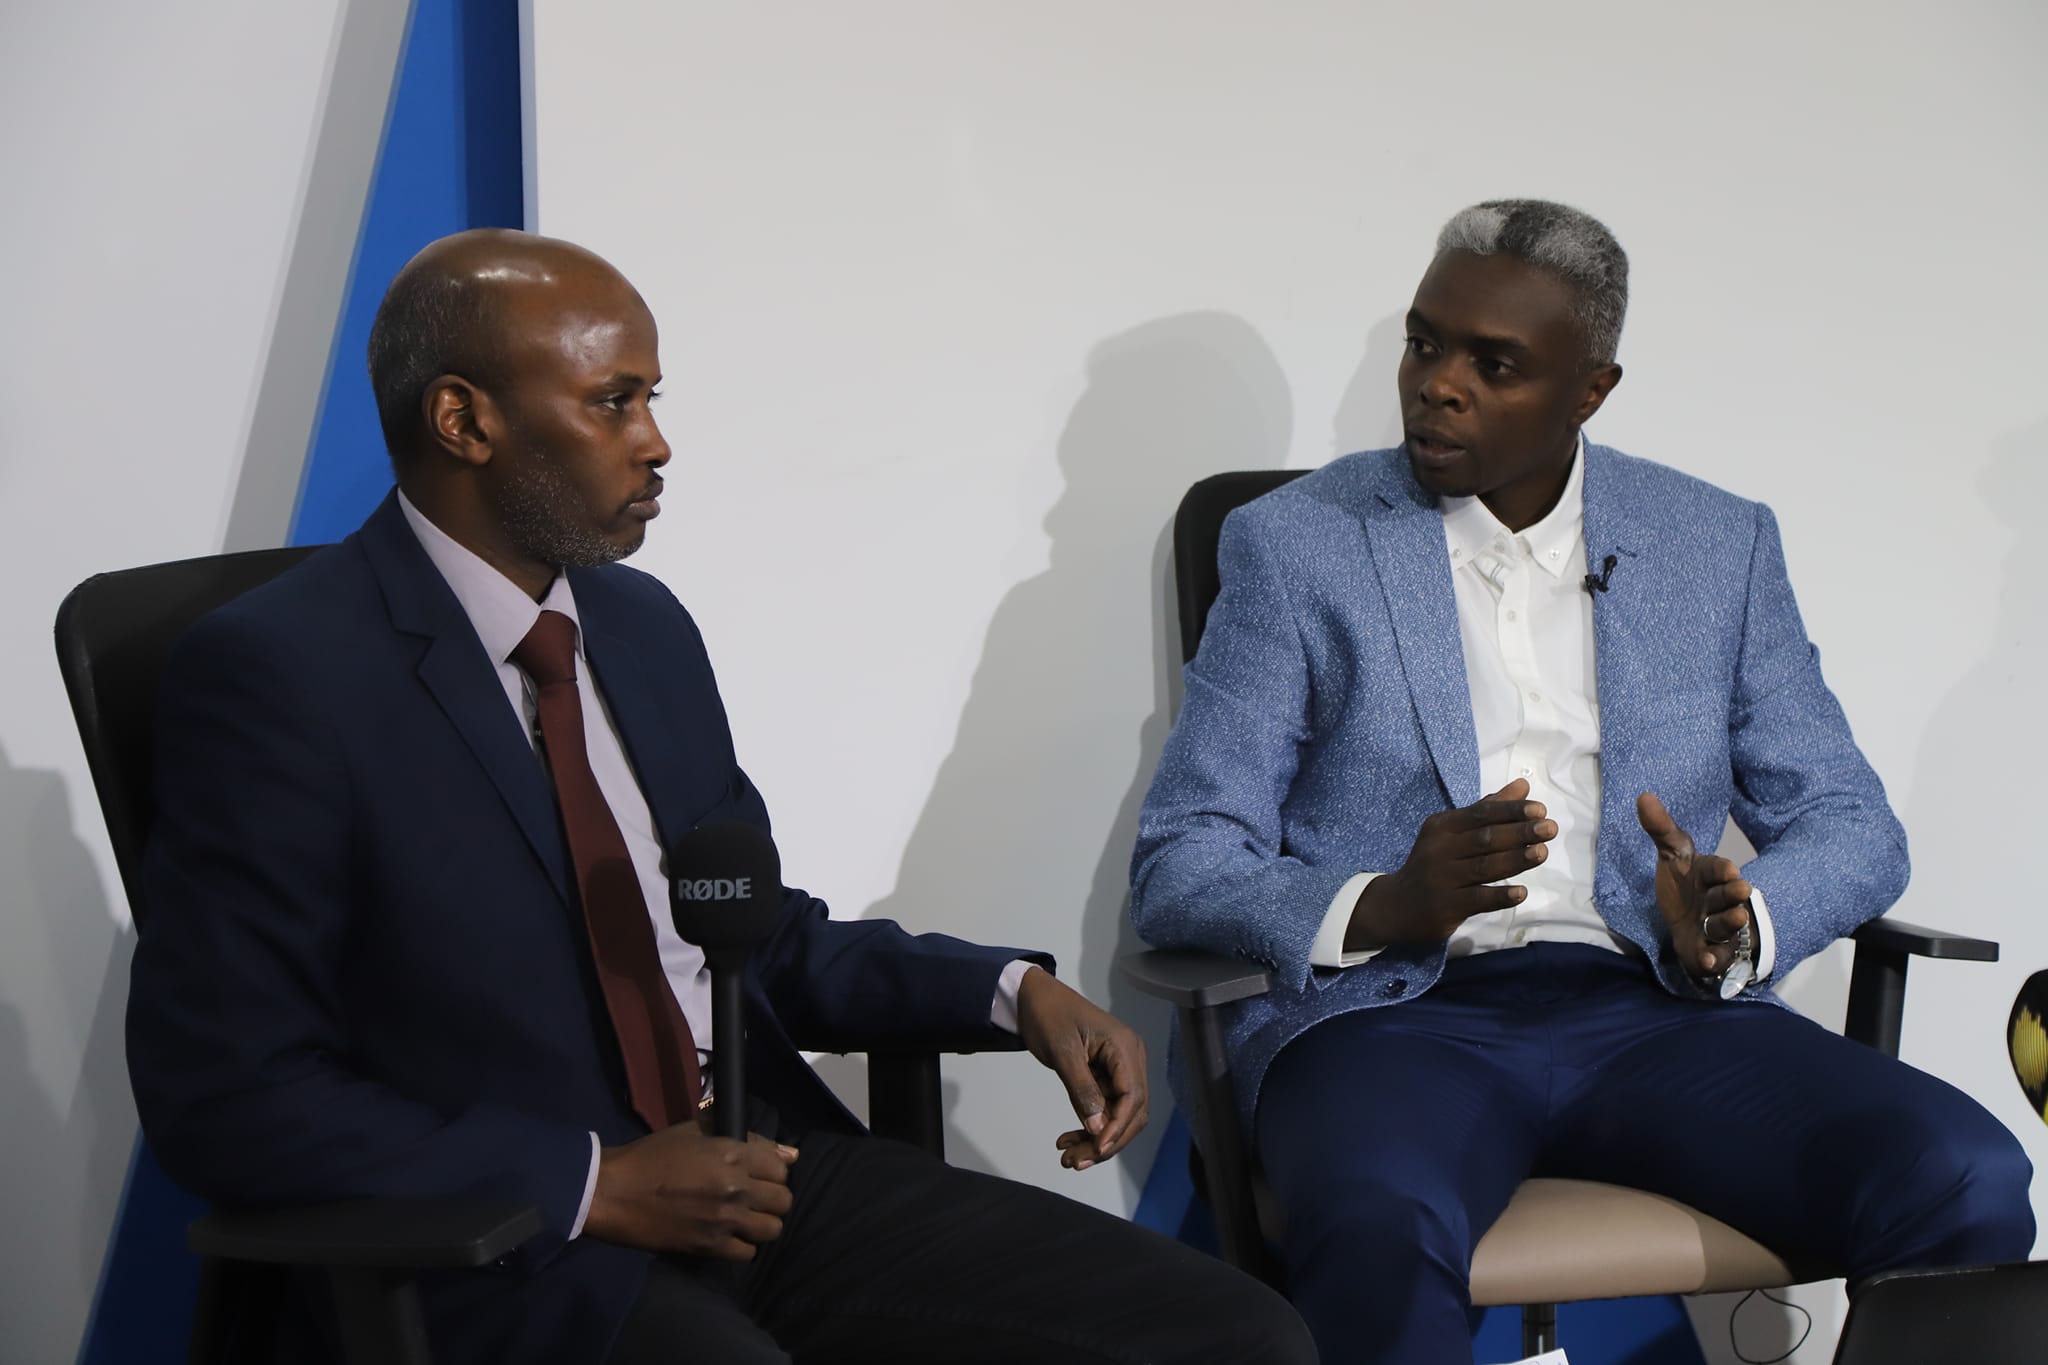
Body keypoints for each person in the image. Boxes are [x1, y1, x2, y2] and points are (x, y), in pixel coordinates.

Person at [128, 229, 1315, 1365]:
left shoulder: (637, 626)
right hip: (508, 1245)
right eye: (613, 403)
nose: (655, 443)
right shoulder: (280, 675)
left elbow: (746, 935)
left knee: (1236, 1338)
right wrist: (593, 1184)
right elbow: (226, 1094)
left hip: (751, 1171)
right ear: (464, 420)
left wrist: (1012, 991)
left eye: (652, 399)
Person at [1129, 199, 2034, 1363]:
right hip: (1391, 1020)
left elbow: (1850, 821)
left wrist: (1739, 921)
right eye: (1423, 344)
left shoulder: (1715, 545)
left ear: (1589, 390)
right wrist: (1381, 903)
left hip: (1649, 1011)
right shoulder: (1295, 544)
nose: (1436, 385)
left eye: (1492, 364)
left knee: (1960, 1173)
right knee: (1376, 1223)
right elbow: (1183, 857)